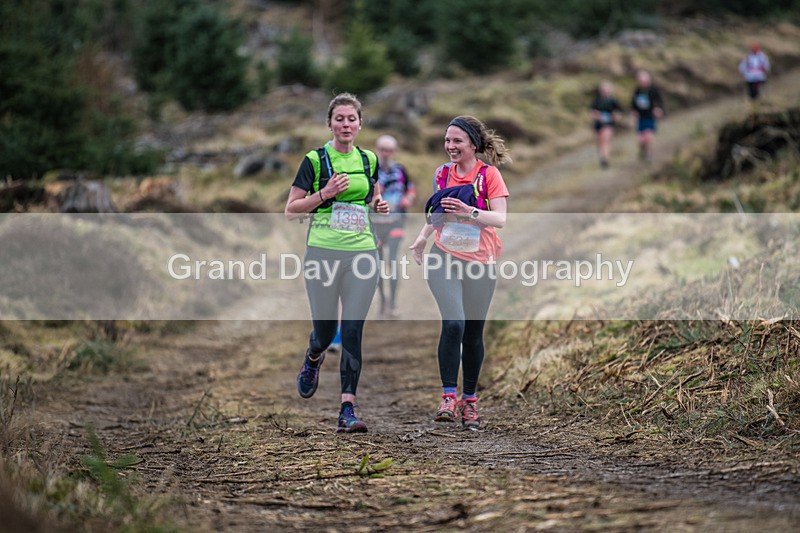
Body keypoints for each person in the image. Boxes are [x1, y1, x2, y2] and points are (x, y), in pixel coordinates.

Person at [284, 92, 389, 433]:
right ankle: (314, 356)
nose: (346, 124)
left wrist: (378, 205)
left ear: (360, 124)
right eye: (339, 119)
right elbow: (291, 210)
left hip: (362, 253)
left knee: (353, 330)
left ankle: (347, 409)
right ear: (329, 123)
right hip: (323, 253)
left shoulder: (369, 159)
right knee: (327, 331)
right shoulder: (314, 161)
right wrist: (325, 194)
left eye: (352, 119)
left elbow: (371, 193)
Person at [409, 116, 510, 430]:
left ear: (473, 145)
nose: (450, 146)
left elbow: (501, 219)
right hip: (444, 257)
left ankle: (470, 402)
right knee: (453, 323)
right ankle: (448, 397)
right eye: (447, 141)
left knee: (472, 333)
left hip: (480, 262)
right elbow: (438, 212)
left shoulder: (489, 175)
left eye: (457, 141)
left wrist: (471, 212)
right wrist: (423, 237)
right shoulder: (442, 173)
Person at [372, 134, 415, 318]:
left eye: (389, 150)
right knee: (379, 264)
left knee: (393, 261)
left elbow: (410, 188)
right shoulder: (370, 171)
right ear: (377, 150)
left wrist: (408, 199)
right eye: (383, 149)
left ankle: (393, 304)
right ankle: (382, 301)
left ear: (394, 151)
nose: (386, 153)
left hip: (396, 222)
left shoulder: (401, 170)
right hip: (375, 225)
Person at [630, 70, 664, 163]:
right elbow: (633, 104)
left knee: (648, 136)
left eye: (644, 81)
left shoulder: (653, 90)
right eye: (641, 81)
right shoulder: (637, 91)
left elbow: (659, 102)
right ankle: (643, 151)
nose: (643, 83)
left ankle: (648, 155)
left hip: (650, 116)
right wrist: (634, 113)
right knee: (641, 139)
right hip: (640, 117)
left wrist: (658, 109)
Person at [590, 81, 623, 169]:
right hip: (598, 124)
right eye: (603, 90)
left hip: (609, 124)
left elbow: (619, 111)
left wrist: (616, 116)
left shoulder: (613, 101)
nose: (605, 92)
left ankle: (605, 159)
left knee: (605, 140)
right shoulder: (597, 100)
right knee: (600, 141)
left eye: (607, 90)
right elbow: (592, 111)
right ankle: (602, 157)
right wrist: (595, 115)